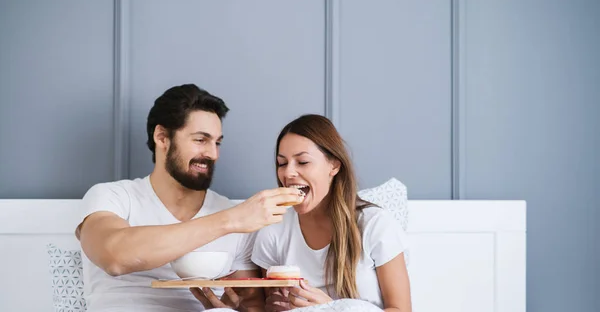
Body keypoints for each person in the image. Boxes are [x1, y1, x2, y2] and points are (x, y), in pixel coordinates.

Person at [75, 84, 304, 312]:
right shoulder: (113, 197)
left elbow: (251, 304)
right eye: (200, 140)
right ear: (162, 137)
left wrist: (234, 309)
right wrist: (230, 221)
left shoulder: (235, 216)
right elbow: (115, 256)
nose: (213, 154)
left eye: (217, 142)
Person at [251, 114, 412, 312]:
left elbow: (401, 309)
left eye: (302, 162)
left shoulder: (375, 224)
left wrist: (331, 308)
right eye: (282, 163)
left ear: (334, 165)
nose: (288, 173)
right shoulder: (272, 230)